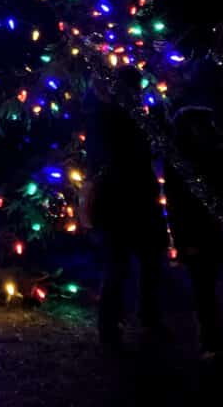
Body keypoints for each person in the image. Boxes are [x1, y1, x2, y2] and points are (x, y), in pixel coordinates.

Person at [82, 67, 168, 349]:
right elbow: (107, 159)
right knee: (120, 266)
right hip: (119, 201)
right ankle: (112, 329)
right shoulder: (108, 118)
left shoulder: (131, 117)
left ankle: (144, 318)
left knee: (146, 262)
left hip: (136, 199)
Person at [164, 106, 223, 358]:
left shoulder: (209, 154)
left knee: (208, 285)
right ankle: (210, 342)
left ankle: (214, 340)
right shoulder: (181, 160)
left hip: (209, 230)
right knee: (203, 287)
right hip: (195, 231)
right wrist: (184, 240)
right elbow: (177, 203)